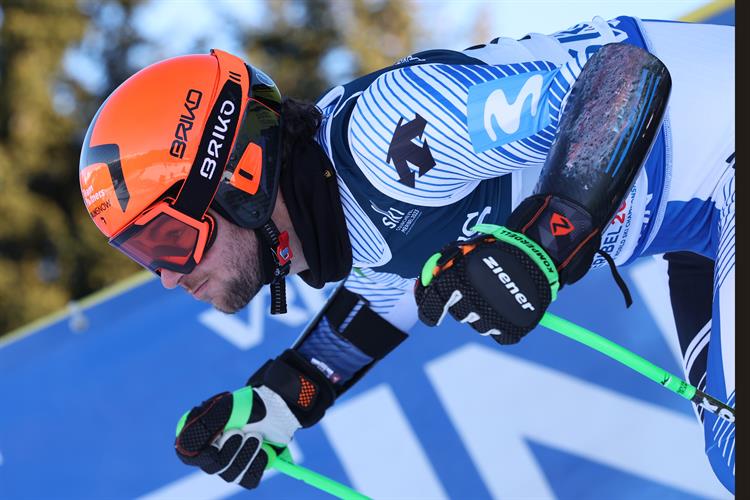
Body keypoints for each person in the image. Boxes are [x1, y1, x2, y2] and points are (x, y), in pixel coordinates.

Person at [78, 15, 735, 493]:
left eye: (165, 239)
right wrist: (280, 401)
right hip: (698, 223)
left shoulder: (385, 136)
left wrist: (545, 241)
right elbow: (377, 303)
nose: (165, 275)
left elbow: (620, 78)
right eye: (142, 255)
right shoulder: (336, 215)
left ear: (240, 181)